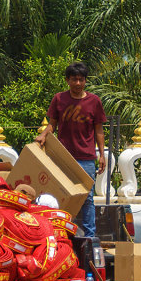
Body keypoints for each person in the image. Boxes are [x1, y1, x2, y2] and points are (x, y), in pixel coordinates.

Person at [34, 62, 106, 239]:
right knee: (62, 194)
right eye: (74, 79)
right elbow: (52, 123)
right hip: (62, 157)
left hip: (86, 158)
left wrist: (102, 155)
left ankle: (89, 237)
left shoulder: (94, 101)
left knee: (87, 198)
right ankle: (62, 233)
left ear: (85, 81)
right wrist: (43, 135)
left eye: (81, 80)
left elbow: (99, 130)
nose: (78, 83)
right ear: (67, 80)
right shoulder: (59, 99)